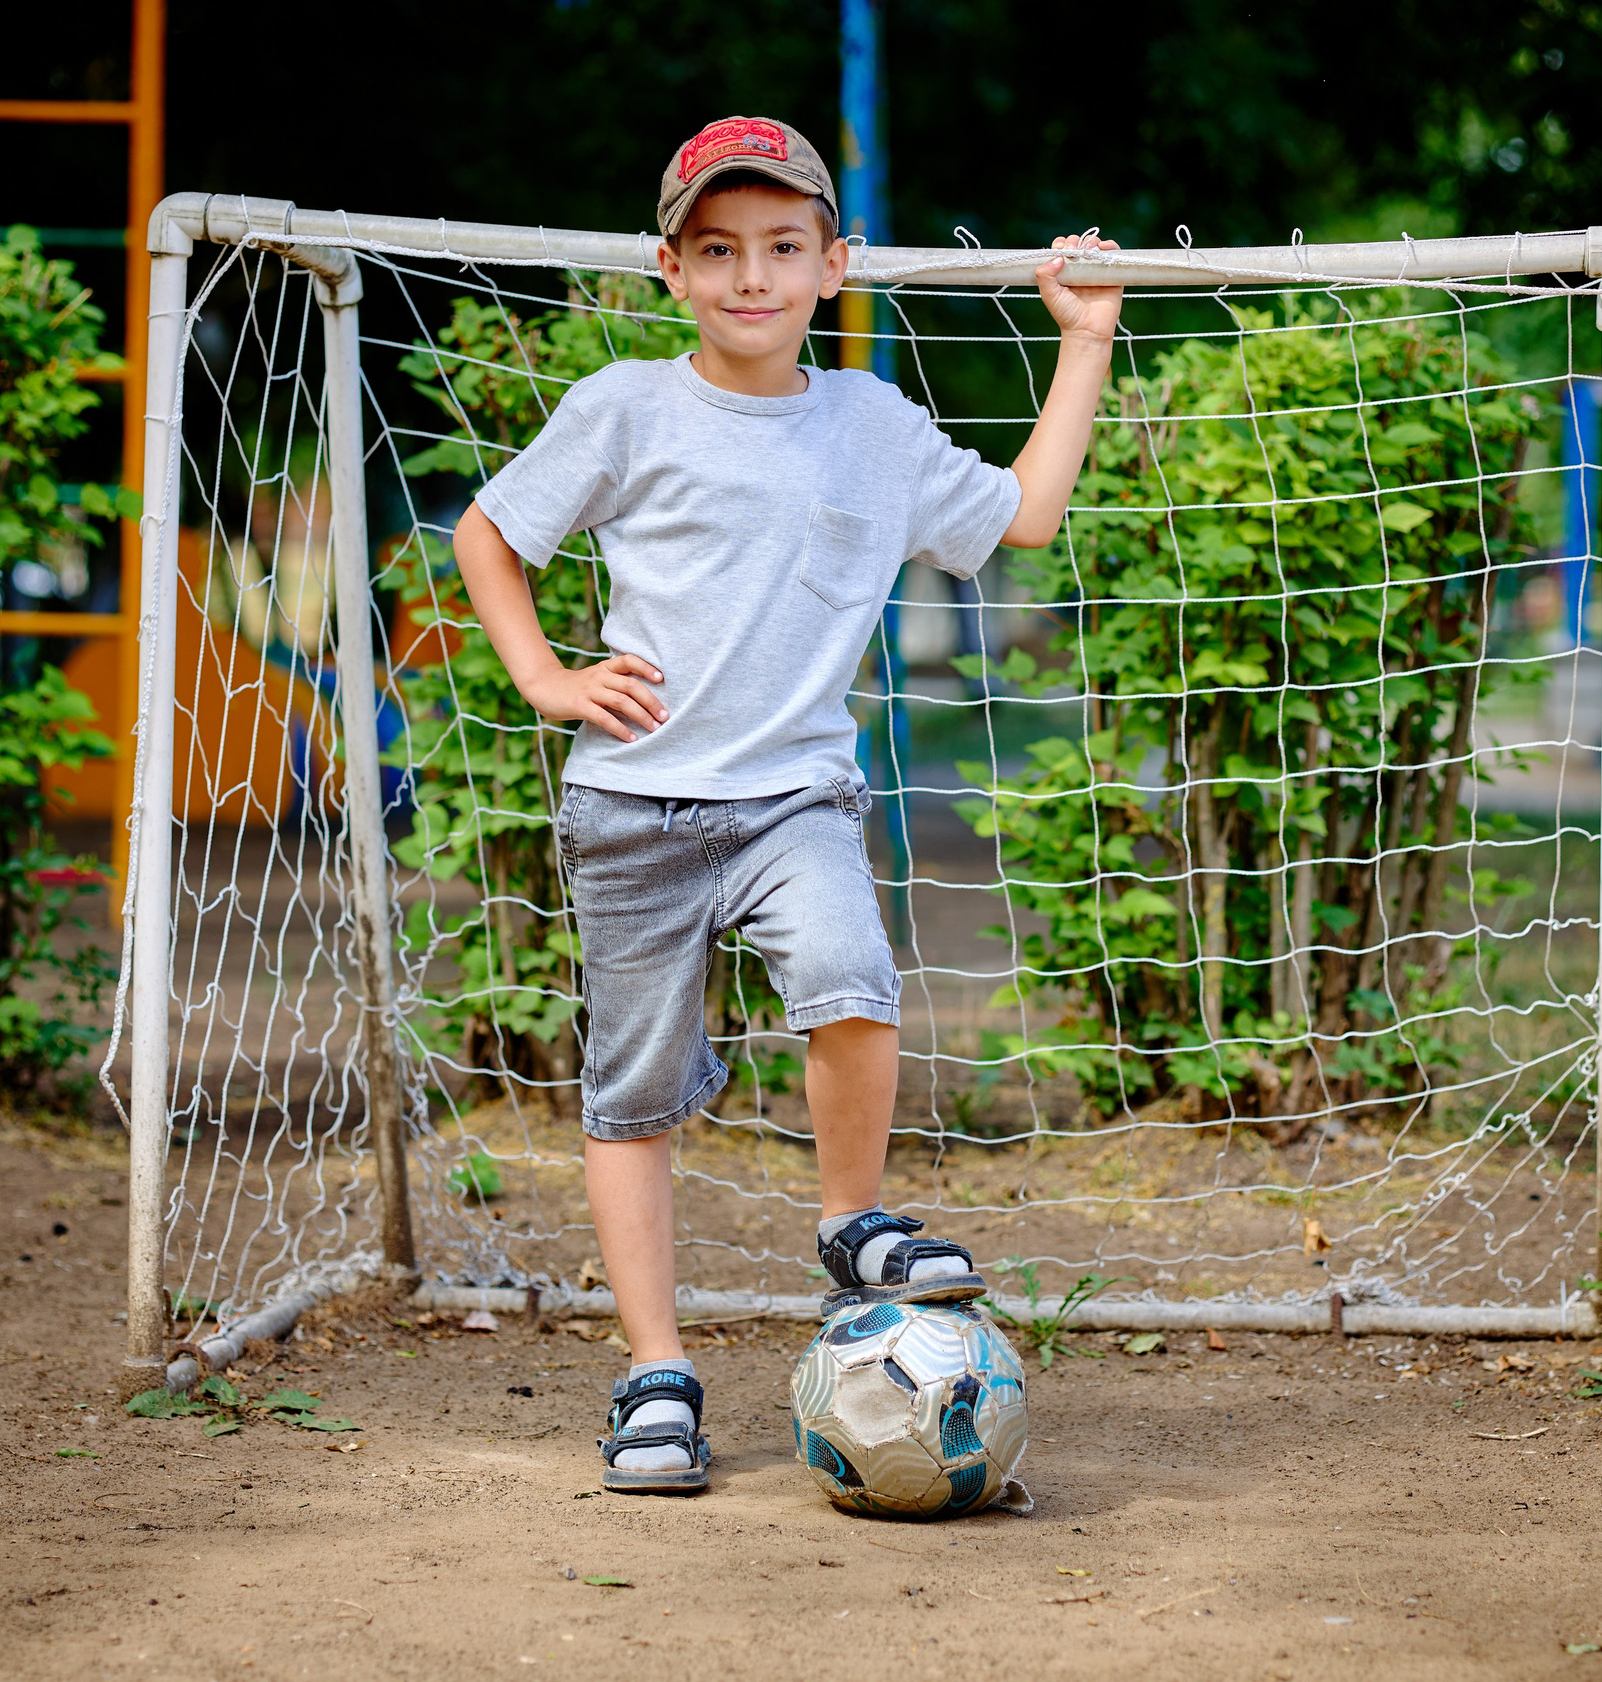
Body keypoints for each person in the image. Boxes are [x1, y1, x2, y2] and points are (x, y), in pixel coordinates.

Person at [453, 114, 1121, 1494]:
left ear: (834, 264)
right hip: (632, 805)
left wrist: (1087, 341)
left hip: (793, 796)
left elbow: (1023, 517)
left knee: (850, 975)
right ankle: (656, 1375)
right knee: (634, 1094)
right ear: (671, 268)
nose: (749, 275)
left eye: (780, 247)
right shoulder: (627, 407)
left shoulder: (869, 423)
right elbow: (489, 534)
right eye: (717, 250)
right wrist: (544, 678)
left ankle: (851, 1224)